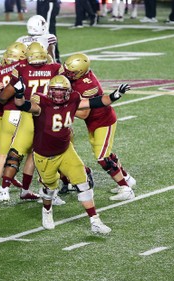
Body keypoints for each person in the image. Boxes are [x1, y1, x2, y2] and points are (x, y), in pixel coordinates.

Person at [13, 75, 131, 233]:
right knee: (49, 190)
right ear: (49, 91)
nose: (59, 94)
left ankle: (95, 221)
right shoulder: (42, 103)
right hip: (44, 155)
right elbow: (22, 105)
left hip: (66, 150)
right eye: (55, 91)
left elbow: (96, 102)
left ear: (68, 92)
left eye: (62, 91)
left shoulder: (73, 100)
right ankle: (47, 211)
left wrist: (116, 95)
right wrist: (19, 93)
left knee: (83, 183)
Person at [0, 42, 63, 206]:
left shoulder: (22, 69)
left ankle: (4, 191)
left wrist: (2, 97)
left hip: (29, 115)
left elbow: (4, 96)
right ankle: (47, 191)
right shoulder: (55, 68)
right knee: (50, 156)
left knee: (15, 155)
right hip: (50, 117)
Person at [63, 53, 136, 200]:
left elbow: (84, 114)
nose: (67, 74)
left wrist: (63, 107)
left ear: (81, 72)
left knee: (102, 158)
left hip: (103, 122)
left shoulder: (87, 86)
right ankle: (127, 178)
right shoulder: (78, 76)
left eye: (72, 72)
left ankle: (125, 189)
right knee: (106, 154)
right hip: (93, 123)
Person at [0, 43, 27, 205]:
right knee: (1, 152)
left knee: (8, 151)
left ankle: (1, 178)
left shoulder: (5, 71)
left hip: (9, 115)